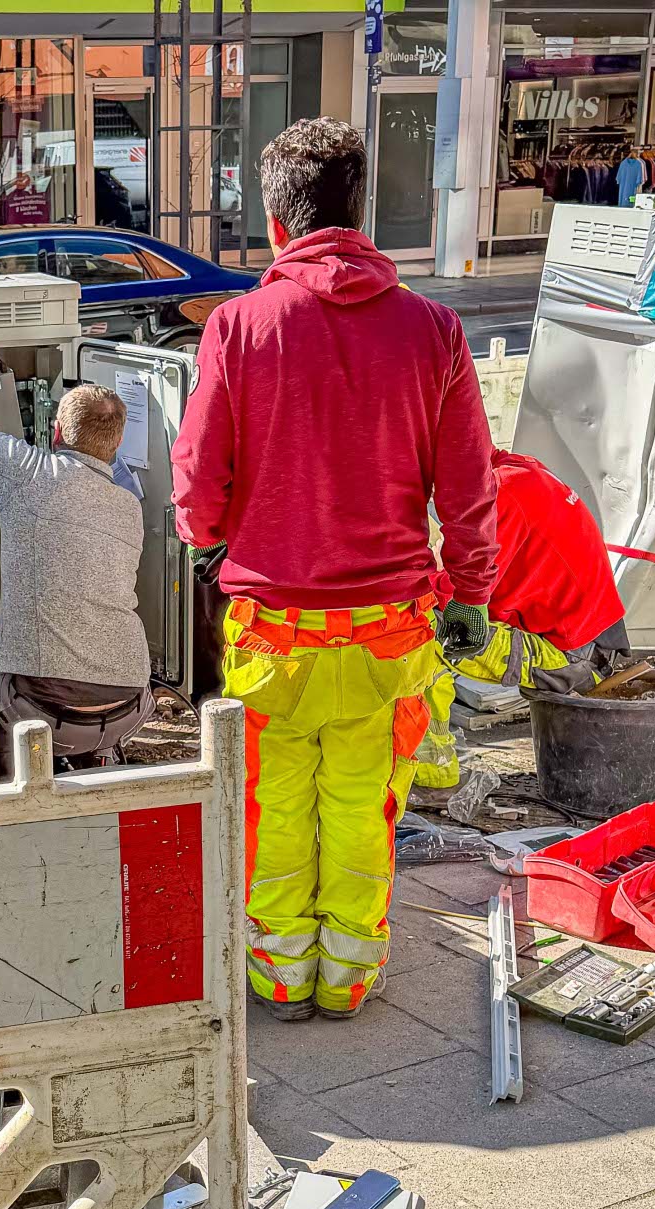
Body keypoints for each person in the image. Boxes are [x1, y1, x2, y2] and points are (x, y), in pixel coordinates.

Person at [171, 117, 499, 1022]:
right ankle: (347, 977)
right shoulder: (433, 331)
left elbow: (198, 472)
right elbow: (470, 485)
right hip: (389, 631)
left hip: (271, 633)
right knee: (361, 808)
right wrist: (470, 591)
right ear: (360, 213)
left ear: (277, 225)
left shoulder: (239, 327)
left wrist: (208, 538)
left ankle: (279, 979)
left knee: (274, 808)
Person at [0, 359, 154, 766]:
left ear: (56, 432)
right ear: (117, 442)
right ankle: (99, 757)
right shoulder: (129, 505)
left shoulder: (29, 473)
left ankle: (2, 769)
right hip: (128, 706)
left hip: (39, 712)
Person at [414, 449, 630, 788]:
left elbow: (456, 592)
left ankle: (431, 777)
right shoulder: (520, 470)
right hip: (595, 639)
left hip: (570, 657)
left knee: (418, 631)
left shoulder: (502, 499)